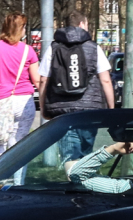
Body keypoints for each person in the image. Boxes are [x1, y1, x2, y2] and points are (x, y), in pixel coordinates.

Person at [38, 12, 115, 163]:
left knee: (69, 156)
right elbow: (105, 80)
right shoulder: (93, 48)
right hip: (89, 111)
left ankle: (74, 182)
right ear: (81, 25)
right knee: (87, 154)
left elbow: (43, 81)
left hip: (62, 111)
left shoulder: (53, 48)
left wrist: (43, 108)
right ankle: (84, 184)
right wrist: (110, 109)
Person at [0, 13, 41, 159]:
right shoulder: (28, 50)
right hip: (24, 102)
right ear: (21, 28)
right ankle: (17, 180)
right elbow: (37, 80)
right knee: (18, 145)